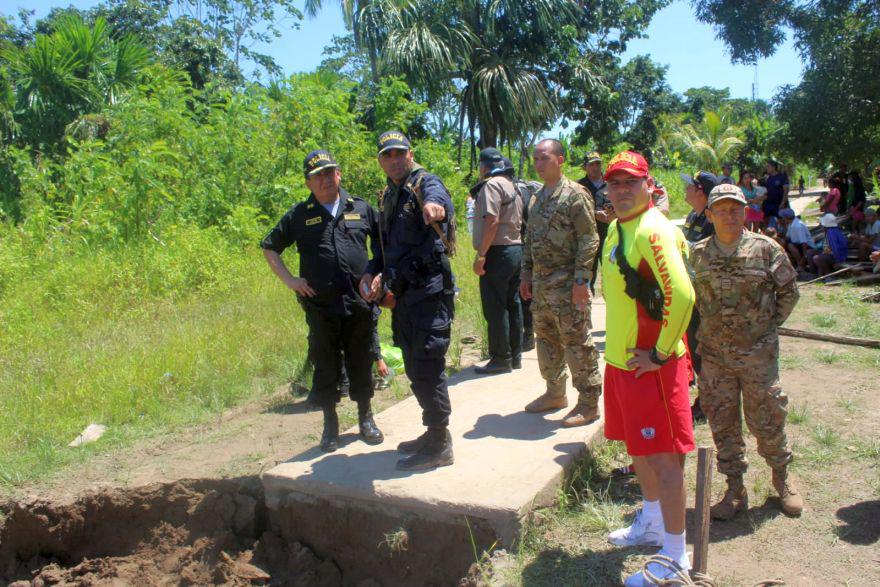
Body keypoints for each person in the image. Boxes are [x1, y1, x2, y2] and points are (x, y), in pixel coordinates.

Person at [600, 151, 696, 586]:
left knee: (664, 459)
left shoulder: (653, 228)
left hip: (650, 366)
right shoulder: (619, 225)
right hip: (622, 363)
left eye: (630, 183)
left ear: (648, 184)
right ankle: (653, 523)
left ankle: (676, 556)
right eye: (614, 183)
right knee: (638, 450)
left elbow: (683, 295)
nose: (621, 190)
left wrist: (659, 353)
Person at [691, 183, 803, 520]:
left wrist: (764, 328)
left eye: (735, 209)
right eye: (721, 210)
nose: (729, 216)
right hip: (715, 359)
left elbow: (789, 293)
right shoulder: (696, 254)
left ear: (745, 212)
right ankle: (734, 489)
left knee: (768, 418)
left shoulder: (766, 250)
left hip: (758, 358)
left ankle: (782, 479)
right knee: (723, 423)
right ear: (708, 214)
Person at [261, 149, 384, 452]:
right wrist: (290, 280)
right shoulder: (300, 215)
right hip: (321, 306)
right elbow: (270, 246)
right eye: (318, 176)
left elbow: (383, 248)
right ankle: (331, 425)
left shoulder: (362, 208)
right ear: (309, 183)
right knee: (326, 364)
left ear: (339, 175)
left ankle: (365, 418)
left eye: (330, 173)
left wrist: (378, 275)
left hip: (359, 303)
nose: (326, 180)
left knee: (362, 358)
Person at [360, 130, 456, 471]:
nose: (395, 160)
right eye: (388, 155)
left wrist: (436, 208)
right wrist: (373, 274)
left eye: (400, 153)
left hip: (429, 294)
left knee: (429, 365)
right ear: (381, 161)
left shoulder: (424, 183)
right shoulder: (389, 196)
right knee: (415, 366)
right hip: (403, 295)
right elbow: (384, 251)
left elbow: (437, 198)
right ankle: (432, 432)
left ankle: (441, 442)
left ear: (410, 154)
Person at [520, 139, 602, 428]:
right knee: (546, 341)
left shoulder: (575, 195)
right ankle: (555, 393)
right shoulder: (536, 197)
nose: (538, 164)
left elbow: (589, 238)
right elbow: (529, 240)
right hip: (543, 286)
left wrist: (582, 279)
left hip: (569, 284)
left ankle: (589, 403)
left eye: (544, 158)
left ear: (560, 159)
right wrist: (526, 274)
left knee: (577, 343)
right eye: (536, 159)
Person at [471, 147, 524, 374]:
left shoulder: (491, 185)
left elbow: (491, 222)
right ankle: (515, 356)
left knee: (495, 307)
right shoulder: (512, 185)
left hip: (498, 252)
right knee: (513, 303)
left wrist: (481, 254)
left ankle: (501, 359)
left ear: (484, 166)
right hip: (515, 250)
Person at [679, 170, 720, 422]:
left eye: (690, 187)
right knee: (694, 348)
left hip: (706, 298)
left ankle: (710, 402)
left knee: (705, 350)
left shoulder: (712, 220)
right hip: (691, 296)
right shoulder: (693, 216)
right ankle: (706, 397)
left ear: (701, 192)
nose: (685, 190)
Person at [578, 151, 613, 291]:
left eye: (598, 163)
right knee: (587, 275)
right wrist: (594, 214)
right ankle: (586, 305)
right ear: (585, 167)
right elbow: (574, 211)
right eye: (591, 164)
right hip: (587, 237)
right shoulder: (579, 187)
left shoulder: (612, 183)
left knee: (612, 272)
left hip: (610, 237)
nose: (595, 167)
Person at [811, 213, 848, 277]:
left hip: (835, 256)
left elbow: (835, 248)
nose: (821, 226)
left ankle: (828, 275)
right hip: (827, 253)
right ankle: (814, 273)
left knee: (816, 258)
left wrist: (837, 261)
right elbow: (824, 245)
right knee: (810, 252)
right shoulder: (827, 232)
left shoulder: (831, 233)